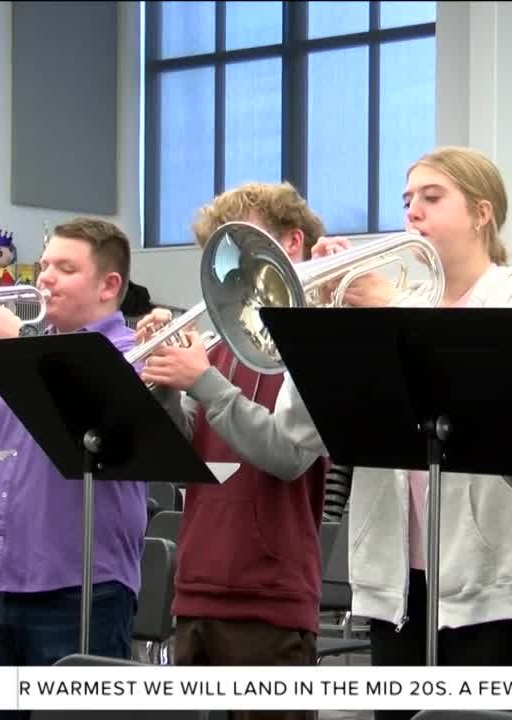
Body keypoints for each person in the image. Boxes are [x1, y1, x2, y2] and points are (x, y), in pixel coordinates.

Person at [275, 146, 512, 720]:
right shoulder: (393, 304)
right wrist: (318, 323)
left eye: (432, 198)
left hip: (500, 584)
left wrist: (389, 306)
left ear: (482, 213)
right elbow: (298, 427)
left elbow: (510, 400)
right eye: (407, 199)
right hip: (397, 584)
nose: (412, 211)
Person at [134, 182, 334, 720]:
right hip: (197, 587)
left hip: (270, 600)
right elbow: (187, 457)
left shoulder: (320, 343)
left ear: (291, 246)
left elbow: (287, 455)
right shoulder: (220, 346)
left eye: (240, 247)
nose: (226, 270)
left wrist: (201, 381)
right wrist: (167, 383)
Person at [0, 218, 154, 720]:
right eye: (45, 266)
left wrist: (16, 341)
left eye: (65, 268)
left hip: (81, 590)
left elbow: (90, 416)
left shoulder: (135, 355)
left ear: (109, 286)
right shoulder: (21, 347)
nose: (45, 279)